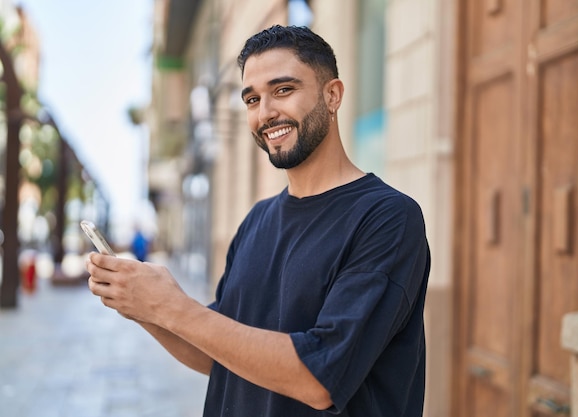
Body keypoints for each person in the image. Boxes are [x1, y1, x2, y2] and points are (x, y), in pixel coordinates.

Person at [86, 25, 430, 416]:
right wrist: (143, 307)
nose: (265, 113)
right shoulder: (257, 220)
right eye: (252, 99)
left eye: (283, 90)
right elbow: (216, 356)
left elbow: (320, 379)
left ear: (332, 95)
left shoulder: (388, 218)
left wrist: (174, 307)